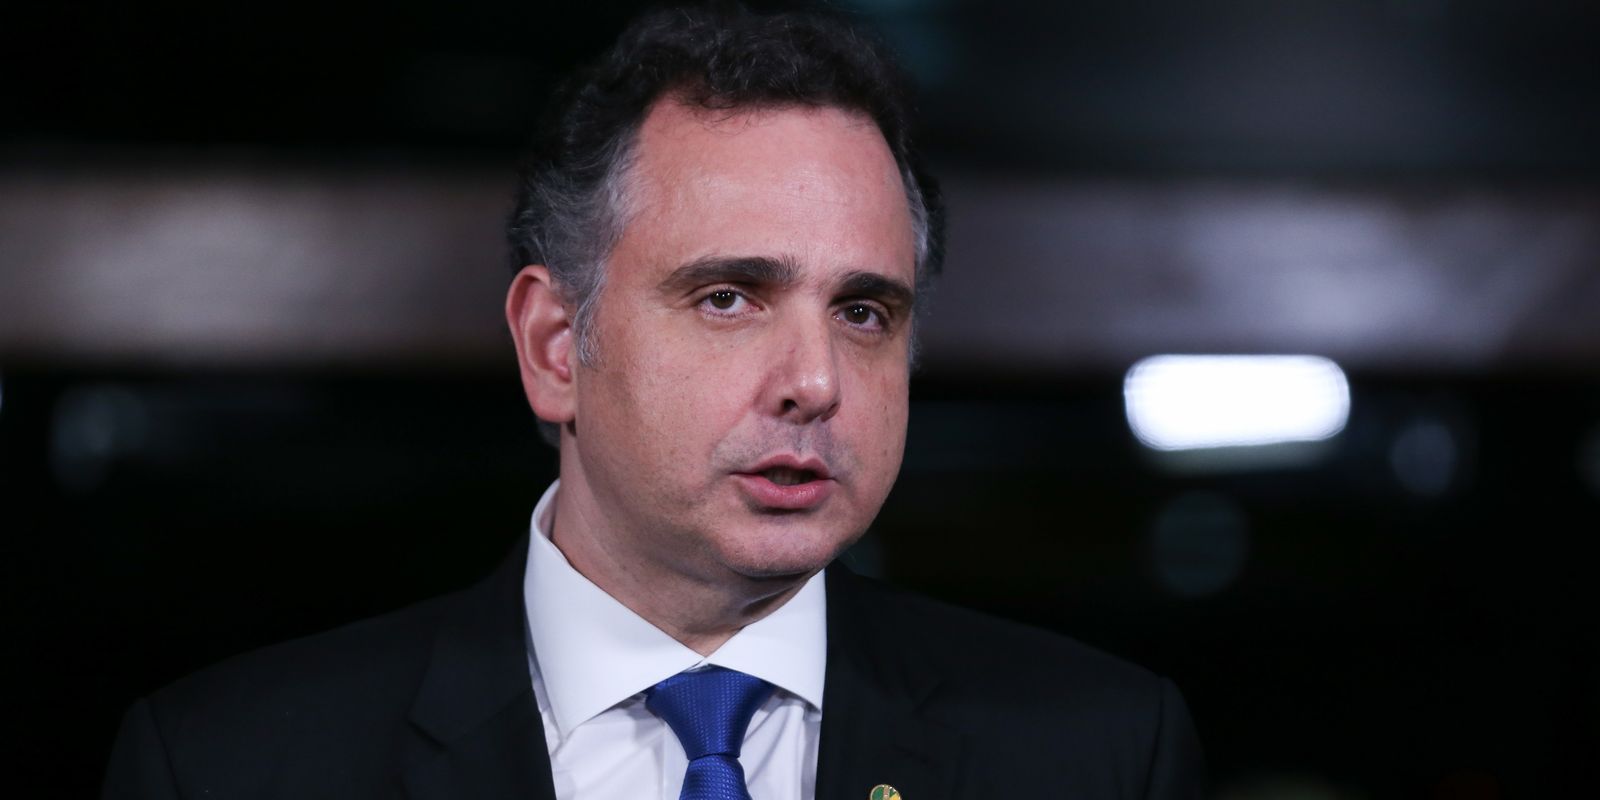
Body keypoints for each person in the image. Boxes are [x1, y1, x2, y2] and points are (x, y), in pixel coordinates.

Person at [103, 3, 1204, 798]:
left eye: (864, 311)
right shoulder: (231, 764)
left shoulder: (1097, 751)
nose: (816, 381)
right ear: (555, 346)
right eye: (728, 298)